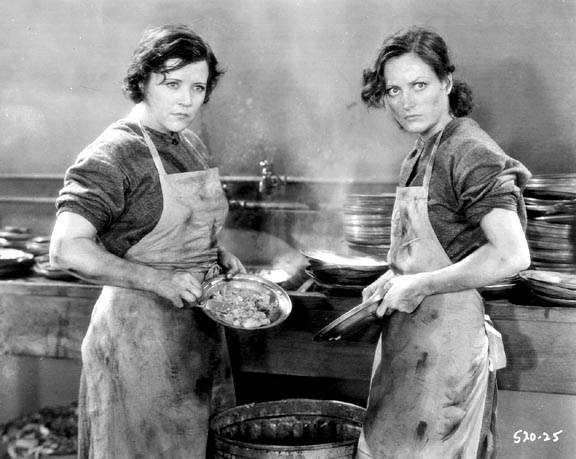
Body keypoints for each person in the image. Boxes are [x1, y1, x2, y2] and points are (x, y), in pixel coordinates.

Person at [50, 24, 246, 458]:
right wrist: (158, 280)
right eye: (172, 84)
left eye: (198, 87)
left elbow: (179, 231)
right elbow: (66, 248)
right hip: (137, 346)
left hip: (197, 339)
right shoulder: (114, 153)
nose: (187, 99)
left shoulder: (188, 144)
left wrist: (215, 254)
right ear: (142, 82)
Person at [355, 26, 531, 459]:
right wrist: (393, 277)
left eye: (419, 85)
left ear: (447, 83)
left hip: (447, 356)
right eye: (394, 90)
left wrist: (419, 284)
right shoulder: (422, 150)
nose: (406, 102)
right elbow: (438, 249)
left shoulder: (467, 150)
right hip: (411, 349)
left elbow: (512, 254)